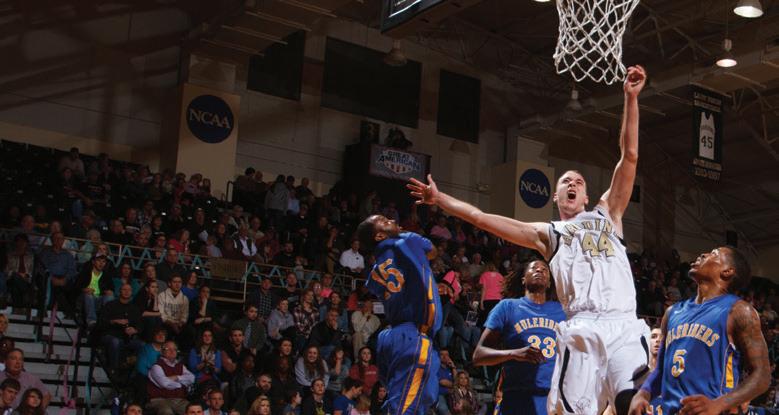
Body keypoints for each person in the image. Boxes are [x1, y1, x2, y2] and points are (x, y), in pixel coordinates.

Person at [409, 66, 650, 415]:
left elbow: (629, 156)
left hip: (625, 324)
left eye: (579, 182)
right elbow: (481, 219)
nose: (573, 183)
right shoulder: (548, 234)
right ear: (555, 197)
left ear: (586, 197)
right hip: (583, 326)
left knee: (635, 404)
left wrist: (631, 99)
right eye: (566, 181)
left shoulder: (608, 213)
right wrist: (441, 199)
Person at [629, 247, 771, 415]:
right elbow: (660, 370)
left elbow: (762, 375)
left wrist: (718, 404)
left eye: (714, 254)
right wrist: (643, 393)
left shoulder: (739, 311)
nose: (703, 254)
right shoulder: (672, 312)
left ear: (727, 271)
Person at [356, 215, 443, 415]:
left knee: (419, 401)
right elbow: (432, 251)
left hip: (395, 336)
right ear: (379, 235)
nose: (393, 220)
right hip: (412, 336)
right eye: (385, 221)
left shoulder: (377, 267)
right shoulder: (407, 241)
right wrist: (403, 232)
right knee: (405, 408)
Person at [471, 260, 565, 414]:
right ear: (523, 279)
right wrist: (513, 353)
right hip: (516, 395)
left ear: (549, 283)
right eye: (534, 268)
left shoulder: (562, 311)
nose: (539, 271)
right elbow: (478, 356)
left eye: (544, 270)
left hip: (553, 398)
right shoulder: (507, 307)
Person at [98, 283, 144, 371]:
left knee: (142, 345)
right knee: (115, 342)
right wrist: (114, 321)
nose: (127, 292)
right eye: (124, 290)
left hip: (126, 338)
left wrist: (135, 330)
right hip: (110, 335)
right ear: (119, 292)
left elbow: (140, 325)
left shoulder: (134, 308)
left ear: (132, 293)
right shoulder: (110, 305)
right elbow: (101, 322)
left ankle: (130, 366)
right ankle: (114, 370)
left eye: (129, 290)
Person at [146, 340, 195, 415]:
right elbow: (165, 384)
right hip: (159, 400)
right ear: (162, 352)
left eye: (174, 349)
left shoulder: (180, 366)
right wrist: (181, 384)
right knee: (166, 411)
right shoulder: (156, 367)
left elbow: (192, 378)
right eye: (168, 349)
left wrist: (176, 377)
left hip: (179, 400)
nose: (172, 351)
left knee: (194, 410)